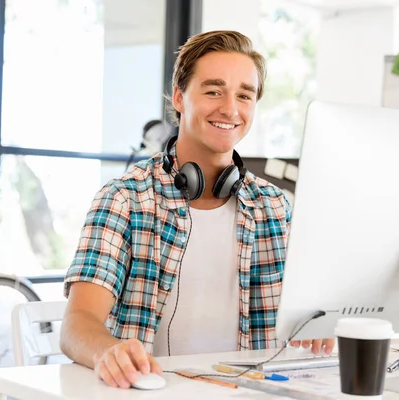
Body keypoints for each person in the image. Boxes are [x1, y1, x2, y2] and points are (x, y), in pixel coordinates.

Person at [60, 30, 334, 390]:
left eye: (244, 95)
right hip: (150, 393)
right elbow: (78, 322)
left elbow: (311, 310)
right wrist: (106, 351)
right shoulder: (125, 199)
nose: (230, 109)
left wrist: (319, 325)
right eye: (213, 90)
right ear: (179, 97)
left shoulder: (276, 207)